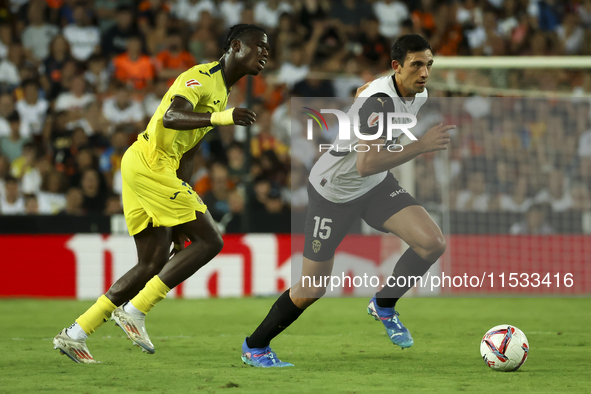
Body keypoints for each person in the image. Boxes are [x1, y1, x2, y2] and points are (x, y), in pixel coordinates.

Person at [53, 24, 269, 364]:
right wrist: (222, 117)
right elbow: (170, 117)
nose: (265, 53)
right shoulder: (202, 76)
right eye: (260, 46)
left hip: (153, 169)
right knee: (211, 241)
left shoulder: (223, 89)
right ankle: (136, 310)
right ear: (236, 46)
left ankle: (76, 333)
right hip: (150, 165)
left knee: (151, 262)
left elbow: (189, 148)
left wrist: (184, 190)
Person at [241, 34, 453, 367]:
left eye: (428, 64)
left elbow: (364, 101)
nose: (424, 72)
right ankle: (255, 346)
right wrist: (420, 145)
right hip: (333, 192)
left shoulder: (414, 93)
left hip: (374, 186)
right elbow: (365, 162)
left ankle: (383, 305)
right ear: (397, 67)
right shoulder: (378, 102)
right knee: (312, 288)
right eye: (417, 65)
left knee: (432, 243)